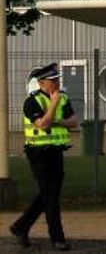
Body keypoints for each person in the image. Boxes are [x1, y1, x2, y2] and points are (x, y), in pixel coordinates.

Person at [9, 63, 77, 251]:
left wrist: (56, 119)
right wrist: (54, 104)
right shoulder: (32, 102)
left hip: (56, 151)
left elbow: (73, 121)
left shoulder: (63, 98)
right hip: (38, 153)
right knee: (51, 197)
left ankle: (20, 226)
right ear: (41, 83)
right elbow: (42, 124)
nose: (56, 82)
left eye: (57, 79)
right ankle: (57, 238)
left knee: (48, 194)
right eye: (52, 80)